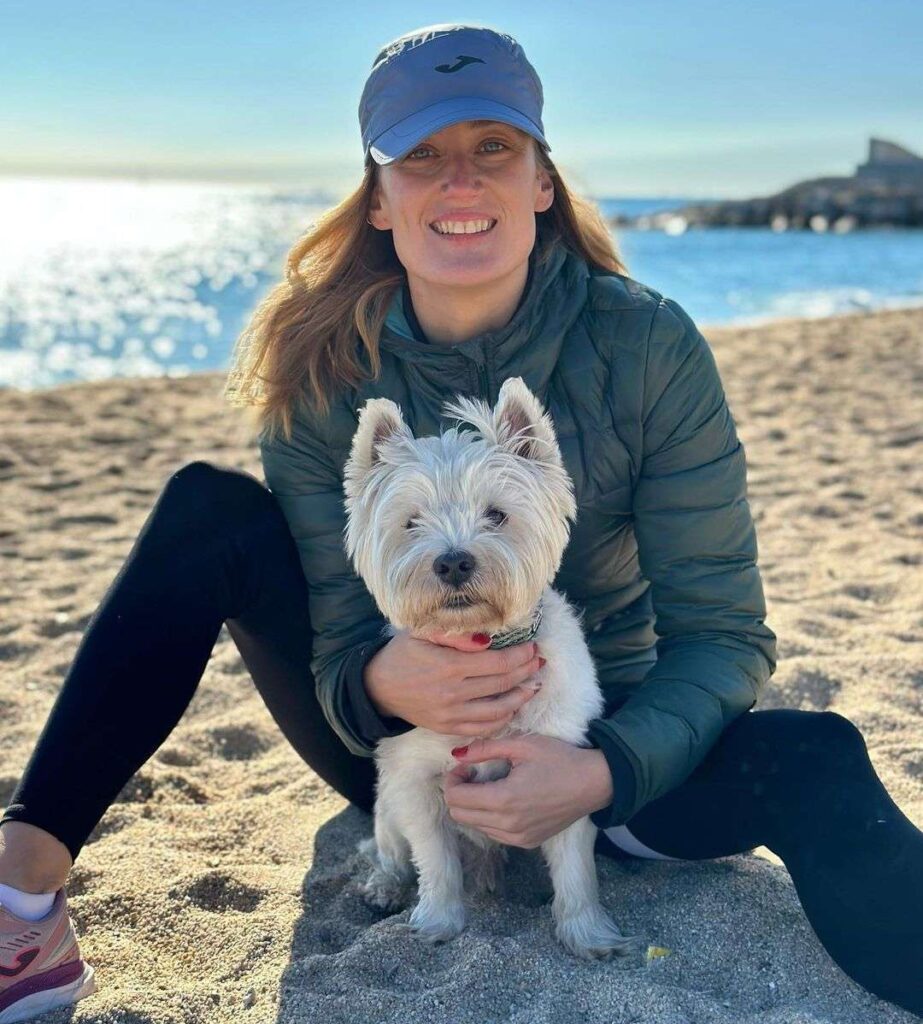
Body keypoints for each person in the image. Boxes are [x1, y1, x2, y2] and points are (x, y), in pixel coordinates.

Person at [0, 22, 920, 1021]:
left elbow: (725, 634)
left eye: (493, 148)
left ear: (539, 181)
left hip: (611, 740)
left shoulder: (647, 345)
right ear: (380, 198)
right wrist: (378, 679)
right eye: (422, 157)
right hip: (400, 743)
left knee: (817, 753)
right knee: (203, 509)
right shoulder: (321, 369)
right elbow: (336, 618)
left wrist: (598, 766)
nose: (460, 182)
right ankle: (20, 894)